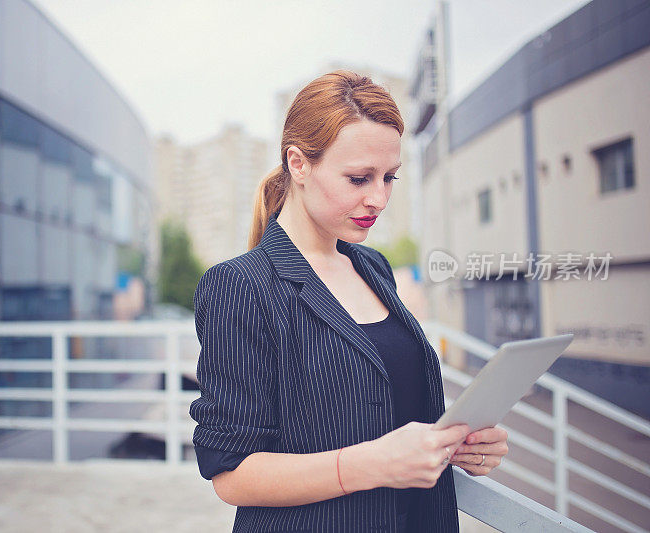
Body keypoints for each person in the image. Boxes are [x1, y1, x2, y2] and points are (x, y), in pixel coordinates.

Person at [189, 70, 508, 533]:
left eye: (389, 178)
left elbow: (383, 410)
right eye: (359, 178)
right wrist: (371, 465)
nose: (378, 198)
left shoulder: (373, 267)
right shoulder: (240, 286)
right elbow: (231, 475)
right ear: (298, 164)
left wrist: (452, 444)